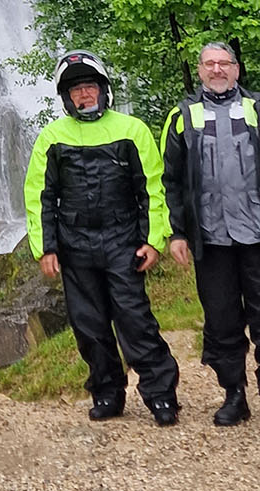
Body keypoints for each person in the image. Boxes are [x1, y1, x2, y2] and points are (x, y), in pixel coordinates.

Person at [161, 41, 260, 429]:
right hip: (210, 241)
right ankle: (234, 396)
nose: (217, 70)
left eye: (224, 63)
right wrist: (177, 233)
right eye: (209, 64)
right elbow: (171, 182)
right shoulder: (182, 117)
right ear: (199, 71)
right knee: (221, 322)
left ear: (237, 68)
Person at [24, 49, 180, 426]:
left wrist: (152, 239)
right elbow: (39, 195)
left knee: (135, 321)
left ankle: (161, 396)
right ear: (66, 97)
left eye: (90, 86)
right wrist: (45, 247)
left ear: (103, 89)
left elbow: (152, 190)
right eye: (76, 89)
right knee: (89, 326)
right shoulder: (52, 137)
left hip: (123, 241)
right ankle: (107, 393)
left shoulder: (132, 130)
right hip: (75, 246)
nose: (84, 95)